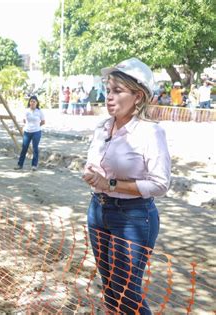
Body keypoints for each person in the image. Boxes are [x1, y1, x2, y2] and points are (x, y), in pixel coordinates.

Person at [82, 57, 171, 315]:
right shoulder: (102, 128)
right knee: (110, 288)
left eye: (117, 91)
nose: (109, 97)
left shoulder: (150, 133)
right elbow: (94, 164)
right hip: (97, 211)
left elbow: (160, 184)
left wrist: (110, 183)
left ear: (138, 96)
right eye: (108, 90)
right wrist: (92, 173)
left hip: (132, 216)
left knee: (126, 292)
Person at [14, 95, 45, 171]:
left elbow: (43, 122)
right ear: (29, 102)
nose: (32, 103)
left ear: (36, 103)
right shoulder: (26, 111)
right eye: (31, 101)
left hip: (36, 132)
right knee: (24, 148)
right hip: (27, 132)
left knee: (35, 149)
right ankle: (20, 164)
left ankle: (34, 165)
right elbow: (24, 120)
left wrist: (37, 126)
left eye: (34, 101)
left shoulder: (39, 111)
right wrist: (28, 126)